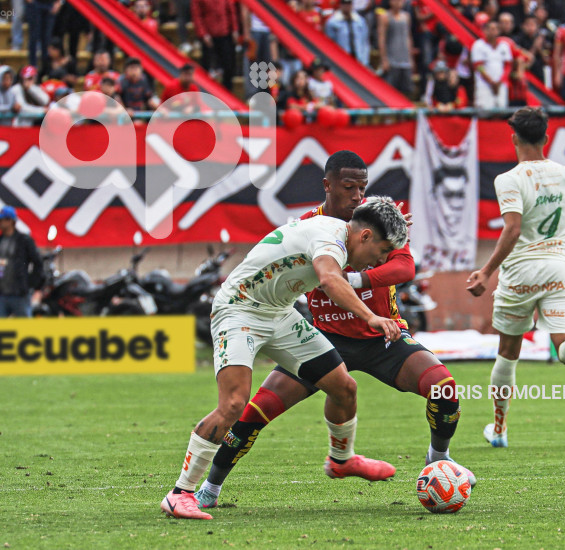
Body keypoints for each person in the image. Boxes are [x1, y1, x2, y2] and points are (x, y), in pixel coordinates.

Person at [192, 151, 475, 511]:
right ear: (328, 186)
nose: (358, 196)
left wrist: (354, 277)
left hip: (381, 339)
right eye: (349, 187)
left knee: (444, 389)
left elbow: (405, 267)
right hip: (324, 339)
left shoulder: (376, 223)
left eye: (363, 187)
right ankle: (209, 490)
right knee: (253, 412)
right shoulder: (310, 227)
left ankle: (439, 461)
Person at [161, 191, 408, 520]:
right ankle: (180, 493)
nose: (380, 261)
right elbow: (331, 279)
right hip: (239, 311)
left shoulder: (343, 235)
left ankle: (341, 459)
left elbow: (387, 258)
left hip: (278, 314)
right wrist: (371, 317)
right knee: (234, 404)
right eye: (381, 251)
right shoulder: (330, 240)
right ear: (364, 235)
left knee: (343, 387)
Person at [466, 108, 565, 448]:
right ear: (546, 139)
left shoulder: (509, 179)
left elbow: (513, 228)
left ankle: (499, 430)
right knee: (564, 351)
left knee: (508, 351)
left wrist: (486, 271)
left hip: (521, 273)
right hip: (561, 268)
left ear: (514, 138)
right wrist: (562, 244)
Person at [0, 206, 44, 318]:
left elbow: (38, 262)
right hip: (0, 295)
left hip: (19, 295)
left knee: (23, 328)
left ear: (10, 221)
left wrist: (30, 283)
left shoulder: (24, 241)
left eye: (1, 220)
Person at [192, 0, 238, 91]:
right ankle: (206, 92)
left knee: (229, 65)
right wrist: (203, 34)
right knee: (207, 66)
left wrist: (234, 29)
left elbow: (231, 10)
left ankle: (227, 92)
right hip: (209, 34)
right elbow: (197, 14)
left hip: (225, 33)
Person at [471, 21, 513, 109]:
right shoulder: (478, 45)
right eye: (490, 29)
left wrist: (501, 80)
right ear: (485, 31)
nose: (493, 32)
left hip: (501, 83)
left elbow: (508, 66)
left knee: (501, 108)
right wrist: (491, 82)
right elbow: (479, 66)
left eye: (495, 29)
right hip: (484, 84)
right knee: (485, 109)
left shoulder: (504, 46)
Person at [378, 0, 415, 97]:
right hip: (392, 59)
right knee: (390, 90)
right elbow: (381, 38)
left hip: (405, 59)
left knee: (407, 90)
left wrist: (410, 57)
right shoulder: (385, 16)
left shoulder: (406, 17)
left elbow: (408, 37)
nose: (399, 3)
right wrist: (384, 59)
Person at [325, 0, 370, 67]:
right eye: (344, 4)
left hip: (359, 60)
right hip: (342, 61)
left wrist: (365, 61)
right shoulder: (332, 22)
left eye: (349, 4)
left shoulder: (360, 21)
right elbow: (330, 44)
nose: (347, 6)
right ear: (340, 5)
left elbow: (365, 42)